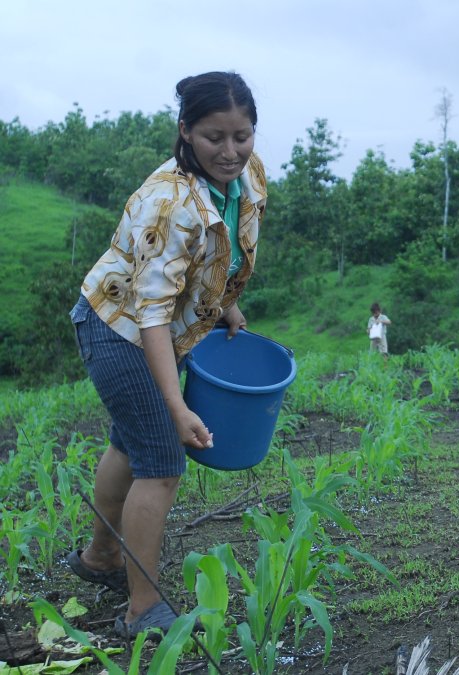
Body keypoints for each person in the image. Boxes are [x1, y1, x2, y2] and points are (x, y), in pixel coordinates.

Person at [66, 71, 268, 637]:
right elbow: (151, 315)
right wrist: (178, 407)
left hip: (153, 324)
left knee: (128, 445)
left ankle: (100, 558)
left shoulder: (247, 174)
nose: (230, 151)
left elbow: (218, 247)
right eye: (213, 138)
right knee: (161, 463)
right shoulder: (169, 202)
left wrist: (222, 300)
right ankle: (142, 610)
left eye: (242, 135)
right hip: (121, 329)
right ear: (185, 132)